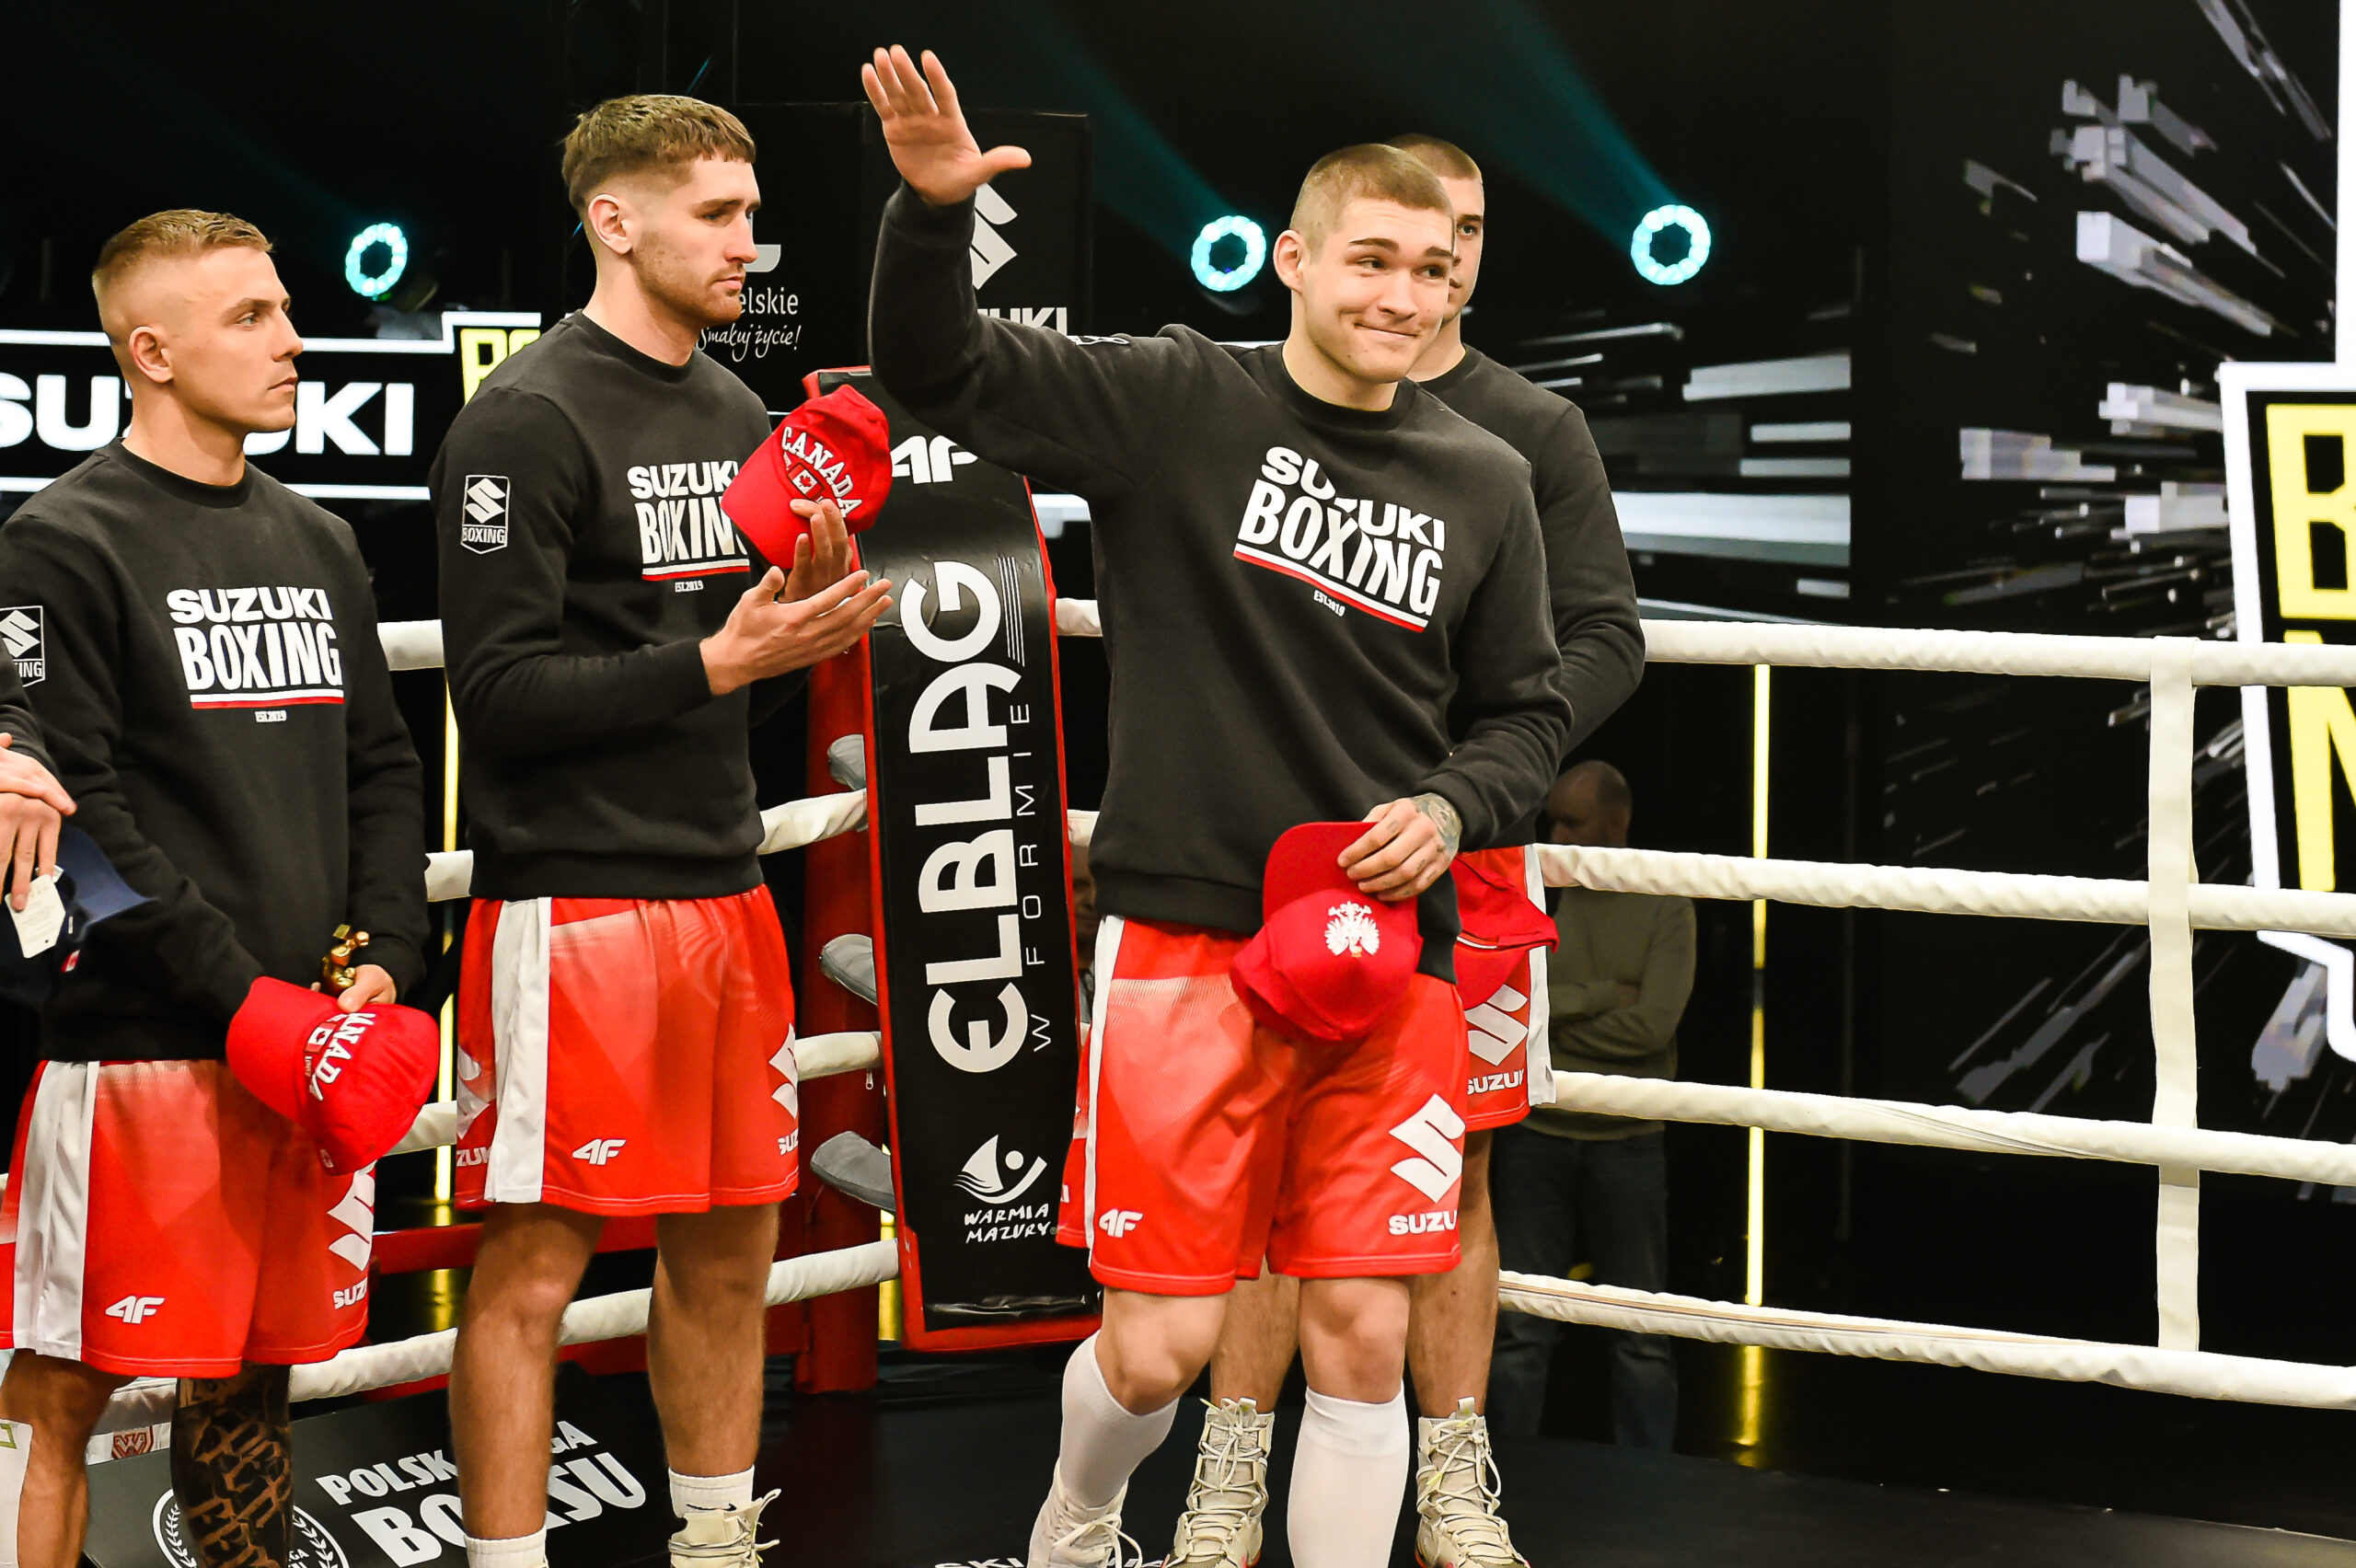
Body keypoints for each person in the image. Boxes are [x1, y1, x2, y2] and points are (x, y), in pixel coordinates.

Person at [863, 47, 1570, 1568]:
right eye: (1371, 258)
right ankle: (1078, 1516)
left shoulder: (1488, 478)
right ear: (1294, 260)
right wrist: (929, 216)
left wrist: (1458, 804)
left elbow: (1530, 705)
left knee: (1364, 1333)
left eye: (1432, 267)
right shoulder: (1179, 396)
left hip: (1391, 956)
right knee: (1160, 1351)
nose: (1403, 292)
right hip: (1189, 948)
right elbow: (938, 372)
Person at [432, 96, 891, 1568]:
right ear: (615, 221)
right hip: (575, 903)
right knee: (537, 1265)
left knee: (735, 1243)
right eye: (718, 214)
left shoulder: (736, 416)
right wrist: (719, 660)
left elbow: (729, 670)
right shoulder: (524, 420)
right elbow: (498, 696)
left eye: (752, 212)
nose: (750, 242)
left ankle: (713, 1545)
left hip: (722, 891)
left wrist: (799, 621)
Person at [1176, 133, 1642, 1568]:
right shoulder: (1246, 402)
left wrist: (1470, 779)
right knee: (1257, 1167)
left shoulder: (1526, 431)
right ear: (1327, 251)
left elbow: (1603, 637)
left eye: (1466, 236)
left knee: (1459, 1173)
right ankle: (1228, 1475)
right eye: (1406, 239)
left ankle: (1453, 1480)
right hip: (1275, 851)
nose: (1442, 262)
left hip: (1464, 857)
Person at [0, 210, 429, 1568]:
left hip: (301, 1039)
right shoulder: (61, 541)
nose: (293, 340)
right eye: (250, 316)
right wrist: (242, 997)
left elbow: (381, 761)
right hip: (141, 1044)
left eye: (283, 308)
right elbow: (80, 816)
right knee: (60, 1388)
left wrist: (390, 953)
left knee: (252, 1376)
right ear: (152, 352)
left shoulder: (319, 538)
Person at [1488, 761, 1692, 1446]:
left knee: (1641, 1334)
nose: (1556, 835)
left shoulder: (1665, 898)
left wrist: (1554, 1020)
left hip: (1626, 1141)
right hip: (1537, 1133)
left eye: (1573, 823)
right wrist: (1603, 996)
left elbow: (1652, 1026)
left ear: (1616, 823)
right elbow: (1516, 1006)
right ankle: (1503, 1480)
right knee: (1520, 1327)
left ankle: (1650, 1483)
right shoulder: (1537, 886)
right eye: (1553, 820)